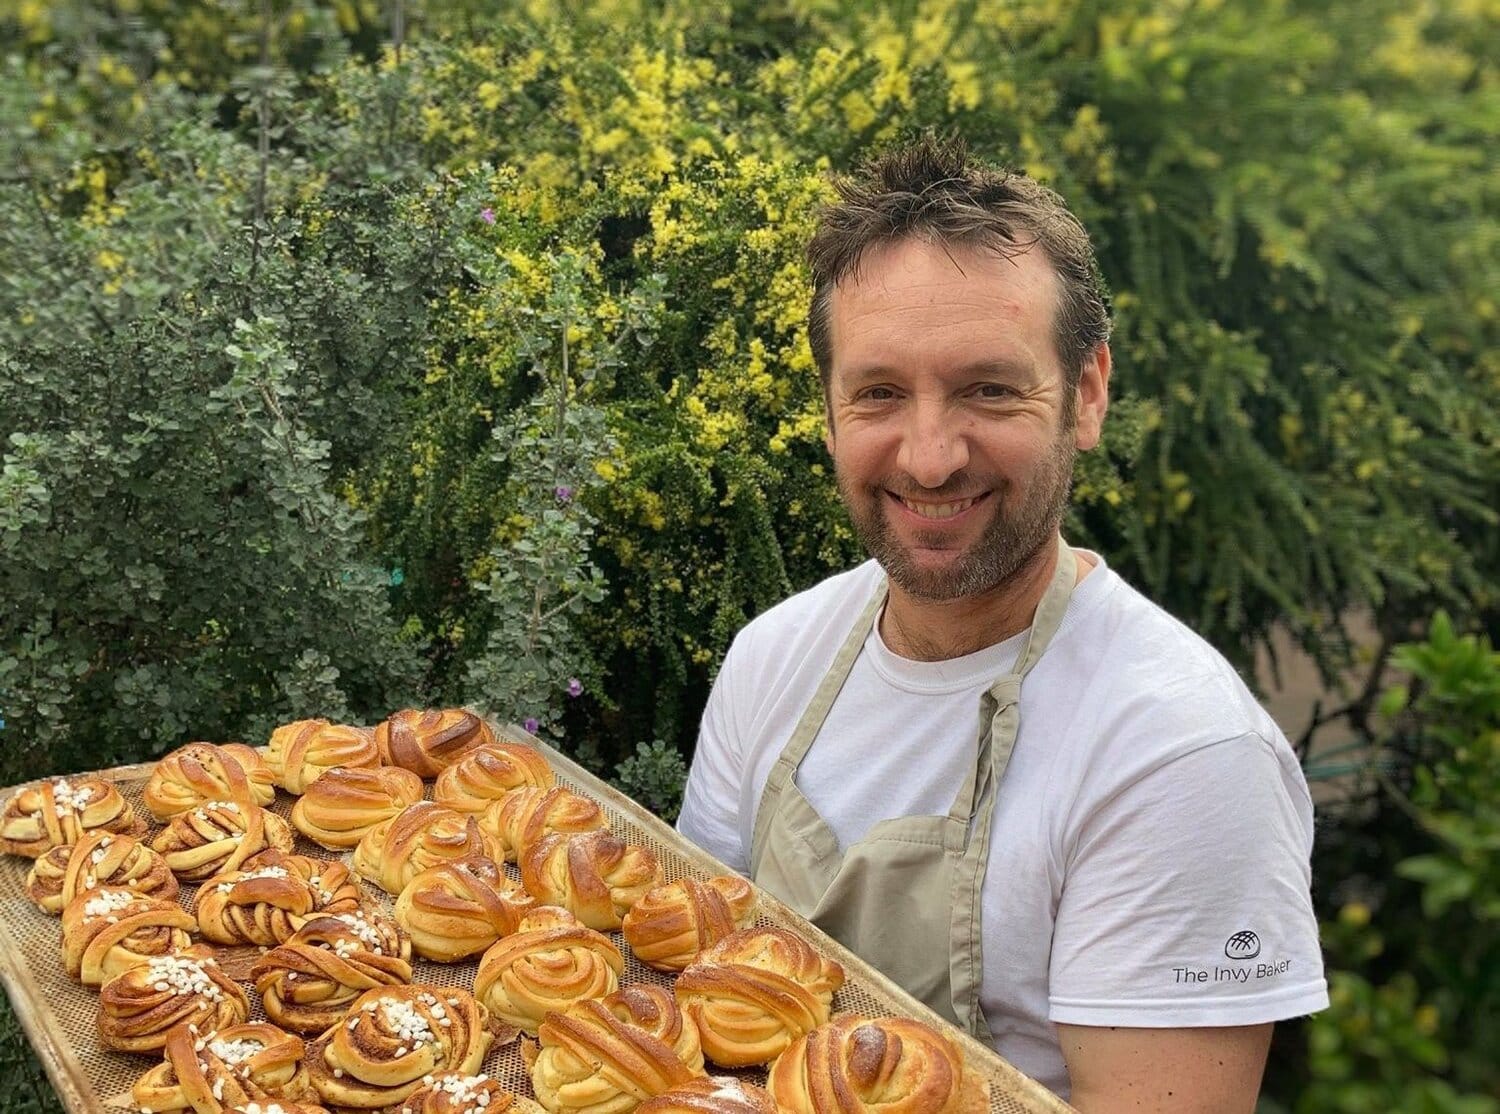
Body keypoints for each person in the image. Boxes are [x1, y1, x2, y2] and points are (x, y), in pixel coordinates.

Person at [676, 136, 1327, 1112]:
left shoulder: (1181, 753)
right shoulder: (774, 656)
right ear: (829, 409)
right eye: (881, 393)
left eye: (989, 388)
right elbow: (686, 989)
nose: (930, 458)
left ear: (1088, 394)